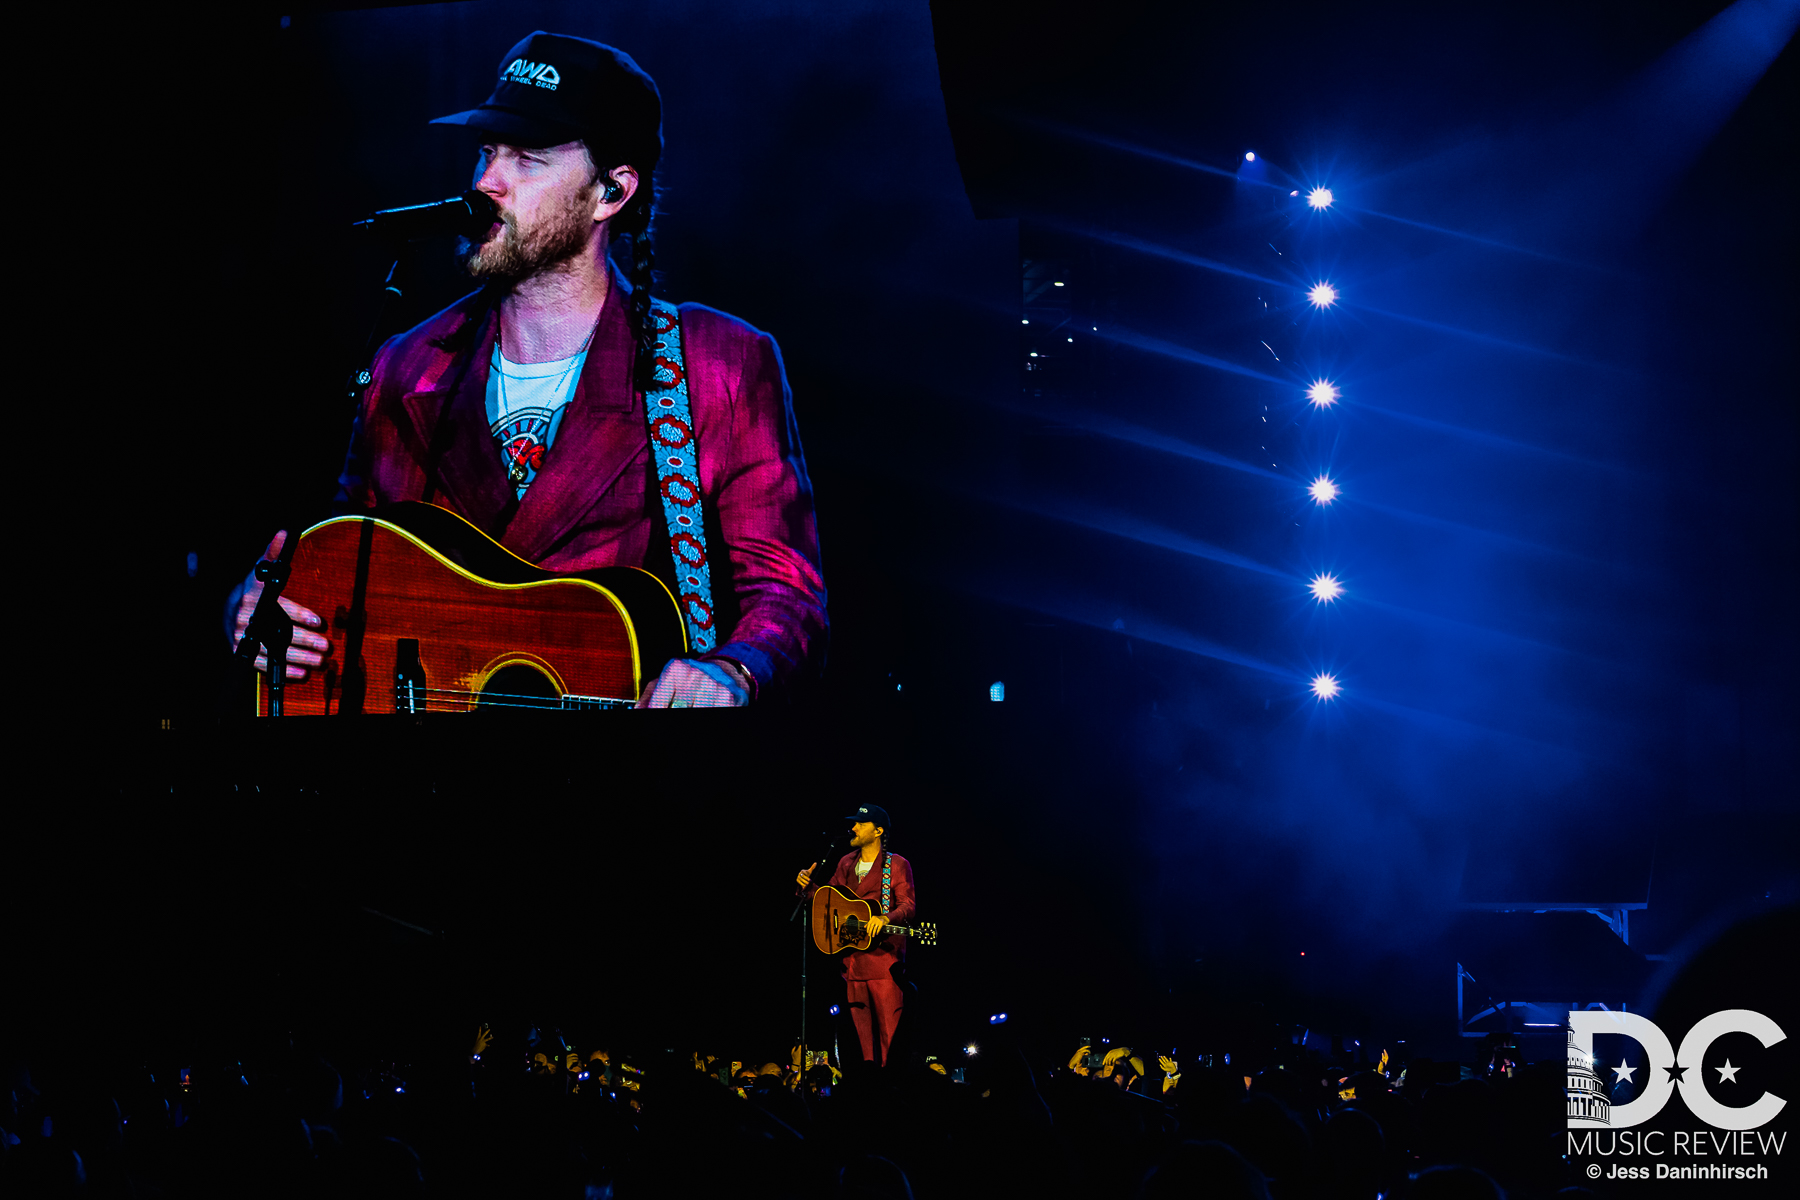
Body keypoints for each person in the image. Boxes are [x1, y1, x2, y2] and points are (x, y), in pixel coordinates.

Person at [227, 31, 827, 707]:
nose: (486, 182)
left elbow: (786, 595)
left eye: (527, 159)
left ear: (610, 193)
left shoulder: (716, 363)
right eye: (487, 151)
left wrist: (735, 671)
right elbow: (335, 560)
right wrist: (257, 610)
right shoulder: (406, 367)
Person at [796, 804, 916, 1067]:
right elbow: (829, 898)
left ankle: (891, 1084)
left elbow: (908, 905)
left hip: (885, 963)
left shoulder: (896, 864)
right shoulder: (846, 862)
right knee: (861, 1046)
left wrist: (886, 917)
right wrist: (808, 887)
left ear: (878, 831)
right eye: (854, 823)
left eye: (861, 824)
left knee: (889, 1039)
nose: (854, 828)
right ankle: (865, 1083)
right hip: (852, 961)